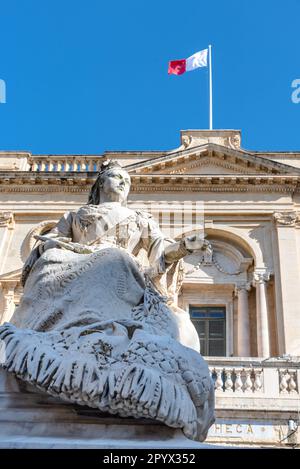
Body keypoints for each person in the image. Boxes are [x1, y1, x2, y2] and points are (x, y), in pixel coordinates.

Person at [0, 160, 215, 442]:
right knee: (54, 259)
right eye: (116, 177)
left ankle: (97, 330)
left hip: (121, 269)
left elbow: (161, 251)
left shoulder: (142, 219)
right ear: (101, 184)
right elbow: (48, 242)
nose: (123, 183)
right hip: (75, 261)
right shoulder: (77, 215)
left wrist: (184, 247)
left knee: (116, 258)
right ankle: (66, 331)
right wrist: (55, 245)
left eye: (127, 180)